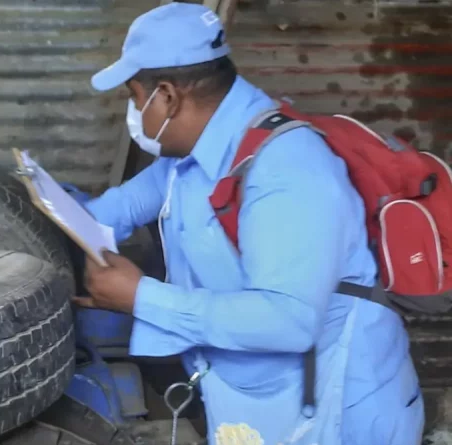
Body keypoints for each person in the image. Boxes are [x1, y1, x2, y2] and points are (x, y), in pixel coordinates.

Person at [72, 3, 425, 444]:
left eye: (133, 96)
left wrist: (141, 298)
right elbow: (117, 209)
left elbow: (288, 320)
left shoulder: (288, 169)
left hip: (336, 414)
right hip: (260, 407)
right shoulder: (192, 157)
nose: (134, 108)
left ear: (167, 96)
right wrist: (45, 209)